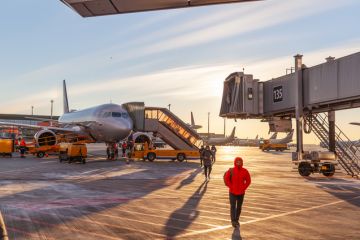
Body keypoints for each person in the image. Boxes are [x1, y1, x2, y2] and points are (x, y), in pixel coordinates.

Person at [224, 157, 251, 228]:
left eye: (240, 162)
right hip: (232, 192)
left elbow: (248, 181)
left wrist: (244, 188)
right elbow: (227, 180)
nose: (238, 163)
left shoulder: (245, 171)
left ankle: (236, 220)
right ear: (235, 162)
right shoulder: (231, 170)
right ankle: (233, 221)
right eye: (237, 162)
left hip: (241, 193)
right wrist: (231, 187)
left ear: (242, 162)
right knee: (233, 206)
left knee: (239, 207)